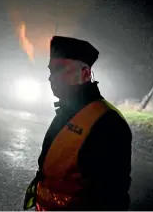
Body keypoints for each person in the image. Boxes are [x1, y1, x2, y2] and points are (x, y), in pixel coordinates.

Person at [24, 36, 132, 211]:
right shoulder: (67, 111)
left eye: (60, 69)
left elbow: (111, 197)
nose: (51, 78)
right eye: (51, 71)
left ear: (85, 73)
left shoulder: (107, 122)